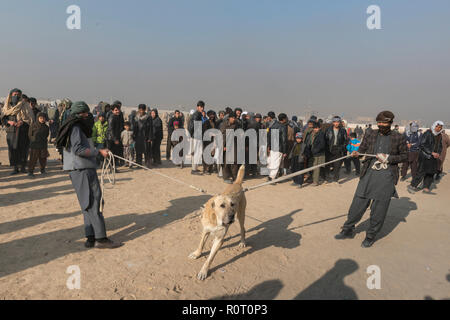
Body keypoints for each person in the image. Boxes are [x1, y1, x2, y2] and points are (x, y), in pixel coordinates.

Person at [335, 111, 407, 248]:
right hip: (368, 172)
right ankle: (348, 228)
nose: (381, 125)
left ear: (390, 123)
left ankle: (371, 235)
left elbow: (404, 156)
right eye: (379, 123)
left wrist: (389, 158)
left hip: (386, 175)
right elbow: (362, 148)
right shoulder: (370, 133)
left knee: (379, 208)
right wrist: (357, 153)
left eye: (384, 123)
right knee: (358, 202)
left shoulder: (398, 137)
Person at [56, 101, 122, 249]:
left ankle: (91, 237)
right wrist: (98, 152)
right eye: (86, 113)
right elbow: (79, 149)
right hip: (82, 169)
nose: (88, 116)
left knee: (86, 203)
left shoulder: (71, 126)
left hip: (78, 169)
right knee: (94, 202)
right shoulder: (76, 127)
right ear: (80, 114)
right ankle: (101, 239)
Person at [1, 88, 34, 174]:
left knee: (23, 149)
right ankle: (15, 168)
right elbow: (3, 118)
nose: (16, 96)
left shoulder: (25, 105)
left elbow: (30, 118)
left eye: (18, 95)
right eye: (14, 94)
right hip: (11, 131)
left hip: (23, 131)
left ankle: (23, 167)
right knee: (13, 150)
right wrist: (9, 121)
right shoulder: (7, 106)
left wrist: (22, 122)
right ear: (11, 95)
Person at [408, 121, 444, 194]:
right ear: (434, 126)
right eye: (437, 127)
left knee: (430, 172)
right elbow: (422, 145)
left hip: (434, 157)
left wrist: (438, 153)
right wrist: (431, 152)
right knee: (421, 172)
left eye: (440, 127)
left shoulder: (439, 135)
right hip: (425, 156)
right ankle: (412, 186)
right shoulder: (428, 133)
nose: (438, 128)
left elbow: (440, 146)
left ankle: (426, 187)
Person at [324, 116, 348, 183]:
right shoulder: (328, 130)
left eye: (337, 122)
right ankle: (327, 178)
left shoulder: (343, 131)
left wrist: (342, 148)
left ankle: (335, 179)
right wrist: (326, 149)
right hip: (329, 149)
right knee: (327, 165)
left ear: (339, 122)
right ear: (333, 122)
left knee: (337, 166)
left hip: (338, 149)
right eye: (335, 122)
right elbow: (325, 140)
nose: (336, 123)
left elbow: (346, 141)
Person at [266, 113, 288, 181]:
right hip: (279, 147)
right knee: (276, 163)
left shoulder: (273, 125)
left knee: (272, 162)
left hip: (273, 146)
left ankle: (271, 175)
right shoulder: (283, 127)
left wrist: (269, 146)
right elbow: (284, 140)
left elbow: (269, 136)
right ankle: (271, 177)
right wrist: (284, 151)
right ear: (284, 119)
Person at [27, 112, 50, 177]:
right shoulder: (33, 125)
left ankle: (42, 169)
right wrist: (34, 140)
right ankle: (30, 171)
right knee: (33, 159)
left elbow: (46, 135)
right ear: (38, 118)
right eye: (41, 118)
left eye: (44, 118)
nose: (42, 119)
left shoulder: (46, 127)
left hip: (43, 145)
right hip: (34, 145)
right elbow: (29, 135)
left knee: (43, 158)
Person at [220, 111, 239, 183]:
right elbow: (222, 136)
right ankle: (226, 177)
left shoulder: (236, 125)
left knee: (234, 161)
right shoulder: (224, 125)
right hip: (225, 145)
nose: (234, 119)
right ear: (229, 118)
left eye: (235, 118)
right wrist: (223, 146)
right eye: (233, 118)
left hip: (233, 144)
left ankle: (234, 177)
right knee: (225, 162)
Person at [188, 101, 205, 175]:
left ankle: (195, 168)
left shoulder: (198, 114)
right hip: (195, 137)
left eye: (203, 107)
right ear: (197, 107)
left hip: (197, 136)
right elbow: (193, 126)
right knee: (196, 153)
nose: (202, 108)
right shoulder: (196, 114)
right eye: (201, 107)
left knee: (198, 152)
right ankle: (193, 169)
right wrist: (191, 135)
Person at [309, 121, 326, 186]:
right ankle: (316, 179)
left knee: (316, 168)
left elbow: (322, 145)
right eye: (314, 128)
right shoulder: (316, 133)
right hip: (316, 153)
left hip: (318, 154)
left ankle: (315, 181)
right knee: (316, 167)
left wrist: (315, 151)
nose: (315, 129)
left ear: (319, 128)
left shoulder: (320, 134)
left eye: (316, 128)